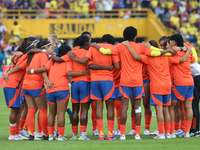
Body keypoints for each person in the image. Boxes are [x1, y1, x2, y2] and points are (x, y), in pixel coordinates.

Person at [96, 26, 175, 140]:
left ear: (124, 36)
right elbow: (154, 53)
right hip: (138, 81)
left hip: (125, 81)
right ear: (135, 36)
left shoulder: (120, 46)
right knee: (137, 107)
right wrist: (167, 51)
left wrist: (95, 46)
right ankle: (137, 134)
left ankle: (122, 134)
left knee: (124, 108)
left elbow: (105, 51)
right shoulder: (140, 47)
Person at [68, 34, 120, 140]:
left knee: (99, 108)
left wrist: (73, 58)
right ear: (110, 42)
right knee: (110, 108)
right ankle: (110, 134)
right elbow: (118, 66)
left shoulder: (92, 48)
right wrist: (109, 66)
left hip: (95, 80)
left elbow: (89, 64)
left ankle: (100, 133)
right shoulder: (112, 48)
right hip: (107, 80)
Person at [27, 44, 72, 141]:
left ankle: (51, 135)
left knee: (51, 114)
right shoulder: (67, 60)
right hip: (62, 89)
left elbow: (43, 69)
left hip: (51, 90)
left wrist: (32, 71)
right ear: (67, 53)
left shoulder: (52, 61)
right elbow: (69, 73)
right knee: (60, 114)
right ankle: (60, 136)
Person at [3, 38, 46, 140]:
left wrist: (7, 71)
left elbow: (14, 61)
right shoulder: (26, 56)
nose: (36, 48)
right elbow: (19, 67)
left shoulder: (20, 55)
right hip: (13, 84)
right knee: (15, 110)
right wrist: (44, 51)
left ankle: (17, 132)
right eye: (35, 46)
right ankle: (12, 134)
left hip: (13, 84)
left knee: (18, 109)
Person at [67, 35, 91, 140]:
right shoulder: (88, 53)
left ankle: (74, 135)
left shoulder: (72, 52)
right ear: (86, 43)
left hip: (74, 83)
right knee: (84, 109)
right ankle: (82, 134)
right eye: (89, 41)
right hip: (85, 82)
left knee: (75, 110)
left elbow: (68, 71)